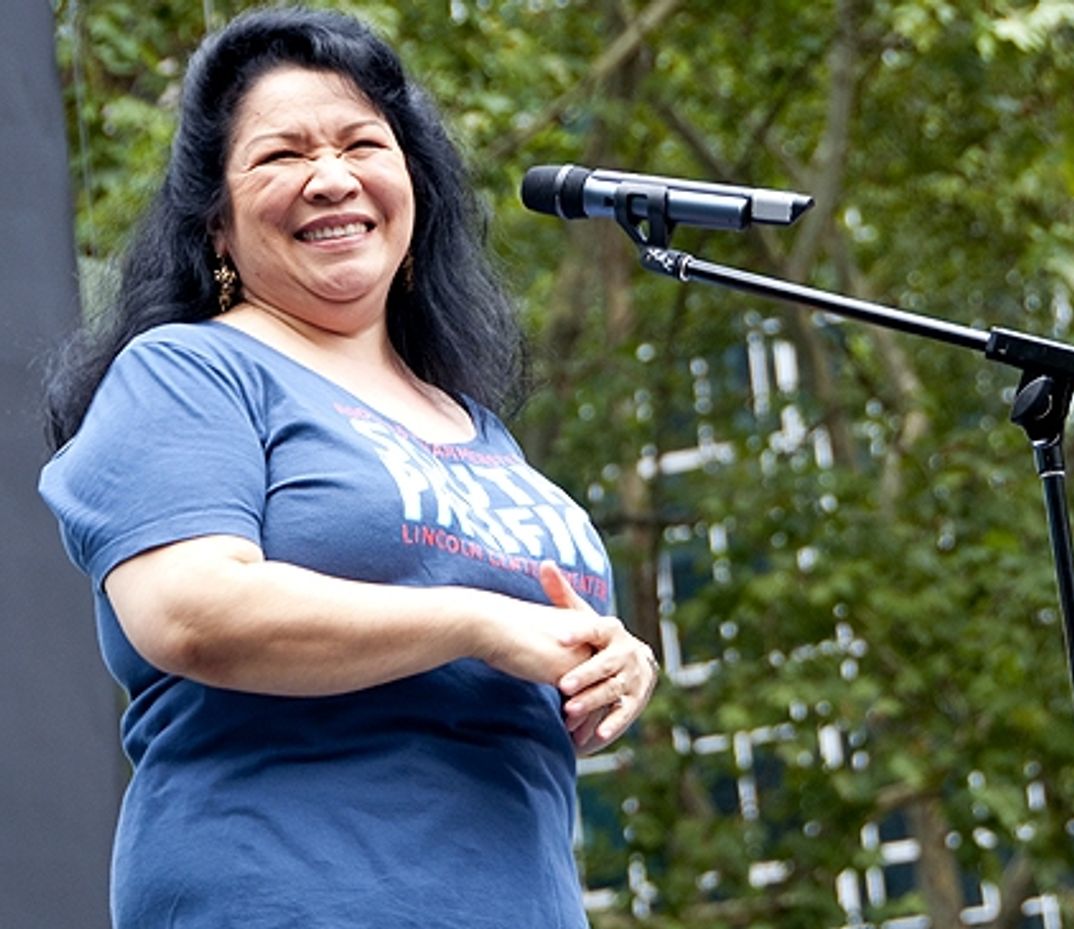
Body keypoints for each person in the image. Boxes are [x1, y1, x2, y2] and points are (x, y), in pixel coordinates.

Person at [38, 8, 657, 928]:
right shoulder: (188, 372)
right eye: (280, 156)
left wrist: (619, 659)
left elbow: (539, 640)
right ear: (215, 221)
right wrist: (477, 621)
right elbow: (191, 611)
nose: (331, 179)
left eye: (363, 144)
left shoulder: (480, 430)